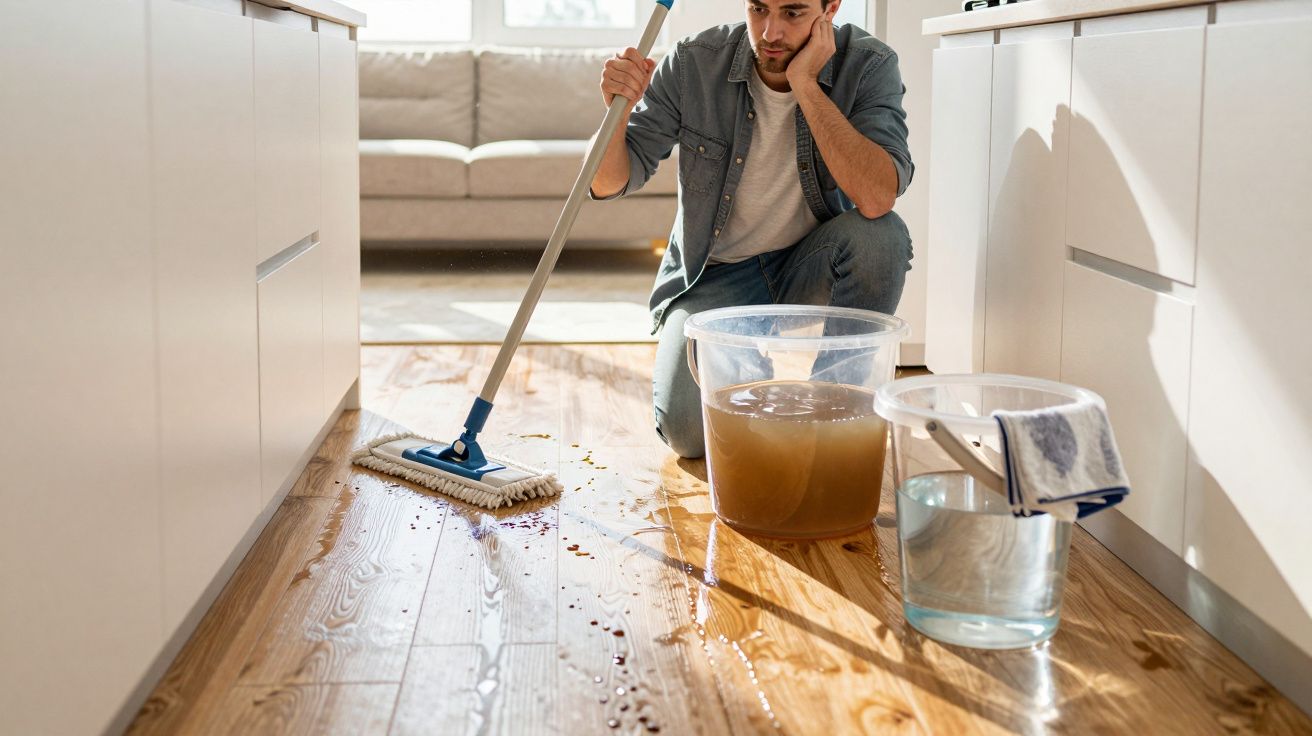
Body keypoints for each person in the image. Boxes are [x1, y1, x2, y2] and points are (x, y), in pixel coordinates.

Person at [589, 0, 914, 459]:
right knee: (688, 433)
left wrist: (805, 84)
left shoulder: (868, 64)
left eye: (794, 13)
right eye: (759, 9)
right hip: (717, 277)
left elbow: (878, 196)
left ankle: (834, 407)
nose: (770, 33)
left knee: (882, 237)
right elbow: (607, 183)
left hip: (811, 262)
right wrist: (616, 111)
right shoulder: (694, 62)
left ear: (830, 9)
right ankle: (742, 359)